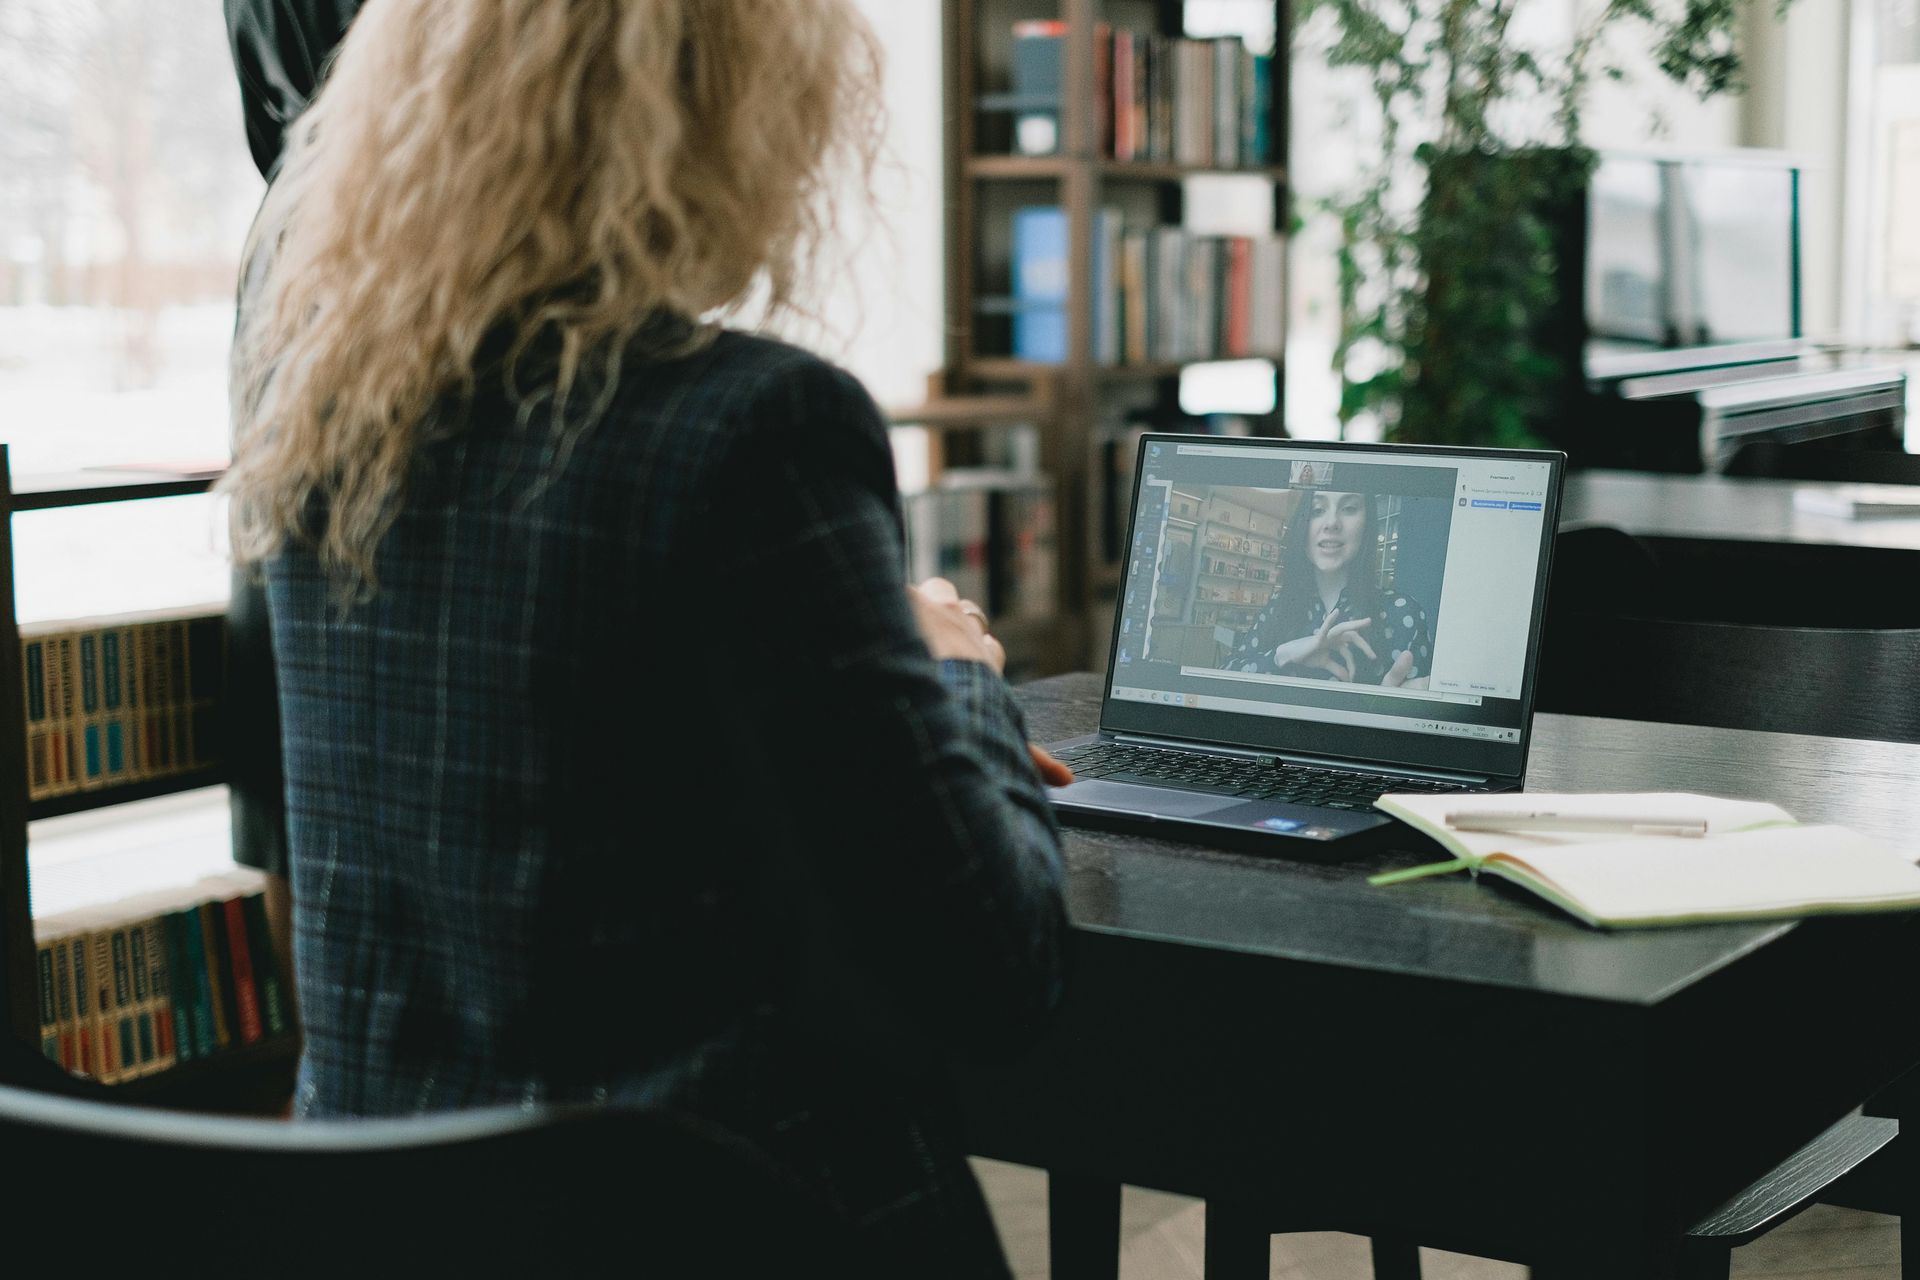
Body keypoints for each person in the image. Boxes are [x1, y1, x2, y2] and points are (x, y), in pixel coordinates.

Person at [220, 3, 1068, 1275]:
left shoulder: (323, 432)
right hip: (715, 1226)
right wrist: (956, 676)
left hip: (401, 1235)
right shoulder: (759, 429)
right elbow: (989, 973)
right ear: (736, 106)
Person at [1229, 489, 1433, 688]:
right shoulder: (1278, 608)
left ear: (1367, 524)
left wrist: (1381, 708)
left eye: (1349, 508)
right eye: (1317, 510)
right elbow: (1226, 675)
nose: (1332, 523)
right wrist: (1283, 655)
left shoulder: (1402, 612)